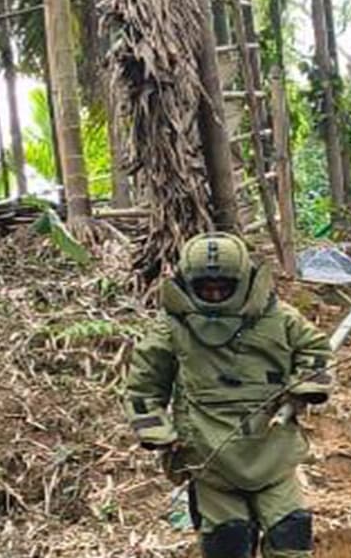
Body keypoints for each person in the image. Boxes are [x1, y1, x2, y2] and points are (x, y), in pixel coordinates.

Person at [124, 232, 332, 558]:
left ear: (245, 281)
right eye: (206, 289)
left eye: (224, 287)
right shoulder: (171, 328)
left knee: (289, 536)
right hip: (209, 458)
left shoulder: (278, 318)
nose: (216, 295)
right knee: (227, 543)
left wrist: (305, 387)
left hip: (272, 449)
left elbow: (315, 348)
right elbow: (143, 387)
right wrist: (159, 433)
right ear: (188, 284)